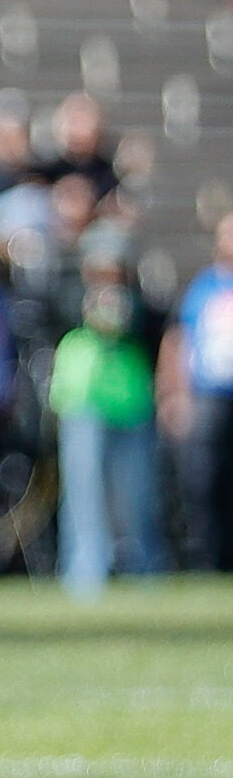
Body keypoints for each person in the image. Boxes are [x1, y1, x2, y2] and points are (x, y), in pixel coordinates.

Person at [50, 251, 166, 598]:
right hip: (84, 405)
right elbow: (54, 320)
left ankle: (143, 569)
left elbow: (152, 332)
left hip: (129, 406)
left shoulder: (141, 303)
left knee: (137, 496)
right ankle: (85, 572)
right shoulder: (70, 295)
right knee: (84, 496)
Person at [162, 212, 233, 576]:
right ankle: (209, 560)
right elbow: (178, 341)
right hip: (211, 396)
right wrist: (174, 393)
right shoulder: (204, 286)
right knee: (206, 481)